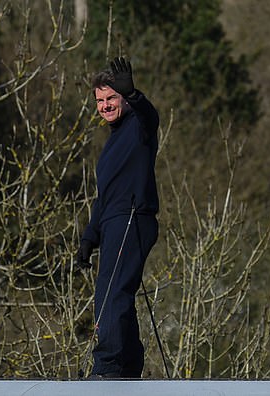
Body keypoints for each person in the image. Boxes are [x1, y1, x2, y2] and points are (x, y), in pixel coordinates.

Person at [77, 56, 159, 378]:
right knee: (117, 291)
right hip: (113, 221)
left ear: (123, 97)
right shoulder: (111, 146)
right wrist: (89, 237)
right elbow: (104, 197)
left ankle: (108, 367)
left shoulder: (139, 127)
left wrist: (135, 95)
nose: (105, 106)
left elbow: (151, 118)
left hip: (133, 218)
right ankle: (127, 363)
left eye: (111, 98)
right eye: (100, 101)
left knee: (111, 293)